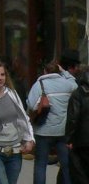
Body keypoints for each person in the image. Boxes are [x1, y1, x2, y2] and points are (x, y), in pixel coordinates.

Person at [27, 51, 79, 184]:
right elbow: (75, 85)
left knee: (40, 164)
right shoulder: (67, 84)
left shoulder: (38, 85)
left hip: (43, 131)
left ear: (44, 71)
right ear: (59, 71)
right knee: (66, 165)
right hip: (62, 131)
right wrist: (65, 73)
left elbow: (31, 105)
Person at [66, 68, 89, 183]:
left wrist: (69, 139)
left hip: (81, 141)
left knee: (79, 173)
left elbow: (73, 119)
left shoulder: (78, 94)